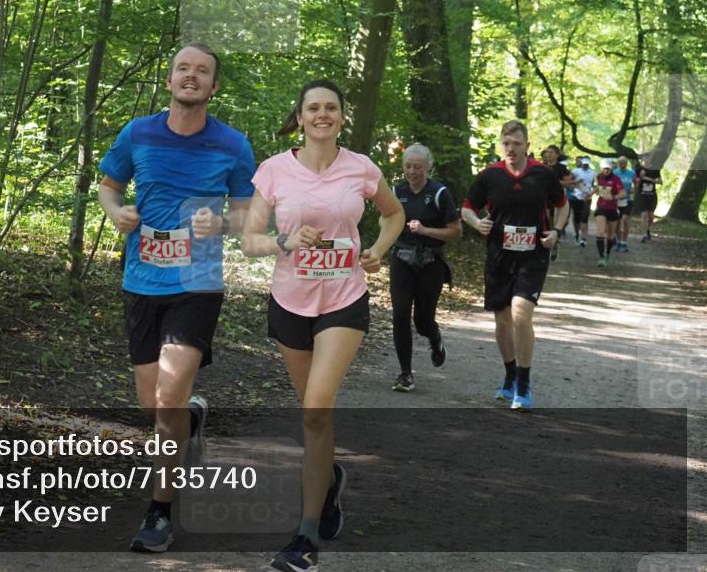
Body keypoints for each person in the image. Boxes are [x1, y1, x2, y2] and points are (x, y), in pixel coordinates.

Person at [97, 43, 256, 552]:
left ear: (214, 86)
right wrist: (115, 211)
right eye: (183, 69)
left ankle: (159, 513)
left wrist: (222, 222)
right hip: (142, 280)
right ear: (169, 81)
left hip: (197, 284)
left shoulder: (233, 144)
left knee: (167, 399)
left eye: (202, 71)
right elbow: (109, 184)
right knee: (154, 402)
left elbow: (251, 217)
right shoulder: (137, 132)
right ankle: (192, 415)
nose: (191, 76)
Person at [241, 80, 404, 572]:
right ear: (301, 115)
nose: (322, 114)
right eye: (314, 107)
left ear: (341, 116)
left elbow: (393, 214)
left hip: (344, 297)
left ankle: (305, 537)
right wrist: (284, 241)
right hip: (290, 300)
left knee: (316, 409)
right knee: (313, 417)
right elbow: (250, 240)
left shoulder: (361, 168)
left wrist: (378, 249)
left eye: (331, 107)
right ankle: (328, 479)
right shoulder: (273, 170)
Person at [461, 120, 569, 411]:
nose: (511, 149)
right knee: (502, 319)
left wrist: (556, 231)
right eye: (506, 144)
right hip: (499, 255)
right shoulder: (490, 176)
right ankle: (509, 375)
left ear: (527, 146)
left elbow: (562, 204)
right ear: (501, 145)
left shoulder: (543, 174)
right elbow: (467, 207)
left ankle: (524, 382)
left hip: (533, 254)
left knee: (521, 314)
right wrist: (476, 223)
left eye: (517, 144)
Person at [387, 143, 461, 393]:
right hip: (402, 259)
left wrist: (426, 230)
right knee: (399, 314)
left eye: (417, 167)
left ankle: (435, 338)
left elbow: (456, 231)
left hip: (431, 262)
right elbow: (385, 221)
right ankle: (405, 373)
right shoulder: (396, 191)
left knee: (422, 320)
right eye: (408, 166)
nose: (412, 171)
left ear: (428, 167)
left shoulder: (439, 193)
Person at [593, 158, 626, 268]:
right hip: (601, 208)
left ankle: (607, 253)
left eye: (608, 169)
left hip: (612, 209)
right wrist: (592, 192)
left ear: (611, 169)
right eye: (604, 169)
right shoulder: (599, 177)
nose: (606, 171)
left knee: (611, 234)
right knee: (601, 231)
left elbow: (623, 193)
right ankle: (601, 257)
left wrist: (613, 197)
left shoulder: (616, 179)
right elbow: (598, 188)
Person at [568, 156, 596, 247]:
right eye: (584, 164)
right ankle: (576, 233)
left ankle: (584, 238)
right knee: (577, 218)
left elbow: (593, 185)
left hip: (587, 198)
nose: (585, 166)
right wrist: (576, 181)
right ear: (581, 163)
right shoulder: (575, 171)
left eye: (587, 164)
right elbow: (568, 182)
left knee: (585, 217)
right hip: (576, 197)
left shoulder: (592, 173)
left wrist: (591, 193)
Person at [634, 159, 663, 243]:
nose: (646, 161)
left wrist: (649, 179)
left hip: (652, 196)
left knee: (650, 216)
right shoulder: (638, 169)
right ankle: (644, 235)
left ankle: (648, 230)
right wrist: (639, 179)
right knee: (644, 214)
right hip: (641, 195)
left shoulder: (655, 170)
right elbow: (636, 181)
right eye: (644, 159)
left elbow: (660, 181)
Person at [612, 155, 636, 251]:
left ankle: (624, 242)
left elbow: (636, 183)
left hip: (628, 199)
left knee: (625, 220)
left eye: (624, 164)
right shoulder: (614, 173)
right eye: (621, 163)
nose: (622, 165)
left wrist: (633, 190)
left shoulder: (631, 173)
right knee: (617, 221)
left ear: (627, 164)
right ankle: (618, 241)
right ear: (618, 163)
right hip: (617, 200)